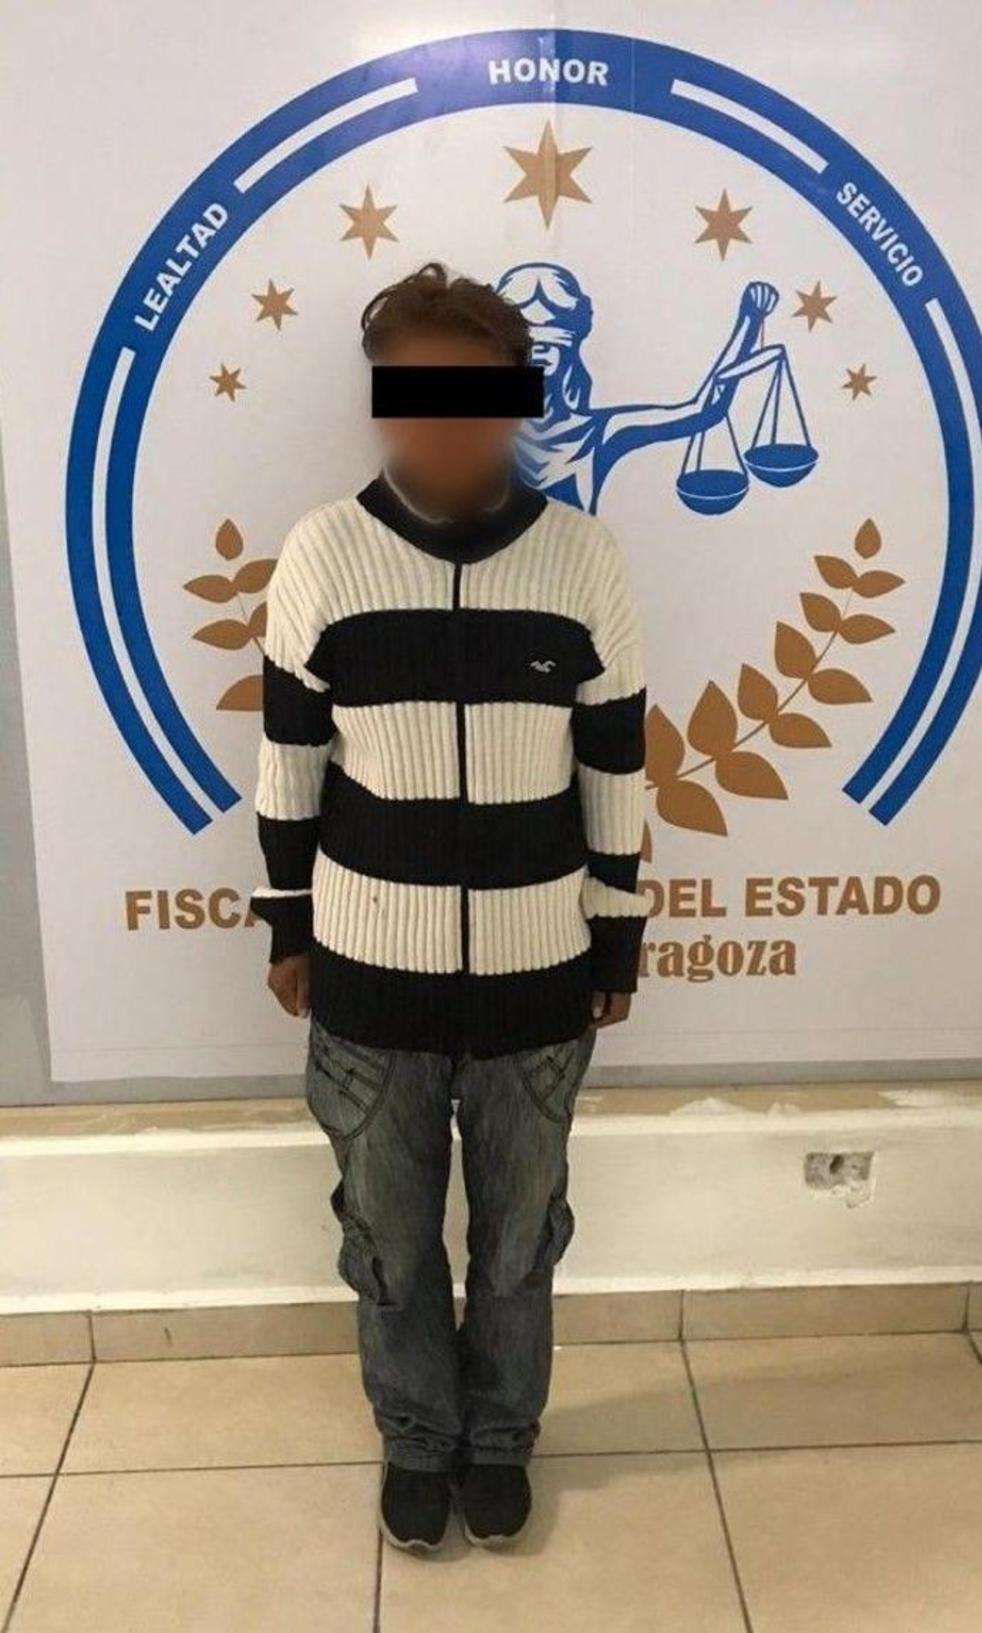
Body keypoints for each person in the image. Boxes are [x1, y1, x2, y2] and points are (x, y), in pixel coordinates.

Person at [250, 262, 647, 1553]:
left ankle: (503, 1433)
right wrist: (290, 927)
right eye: (414, 394)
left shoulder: (585, 560)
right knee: (389, 1238)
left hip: (541, 978)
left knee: (521, 1238)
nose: (446, 423)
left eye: (475, 395)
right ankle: (419, 1432)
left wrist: (618, 933)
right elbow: (290, 765)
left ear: (519, 401)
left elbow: (616, 768)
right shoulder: (324, 555)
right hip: (371, 980)